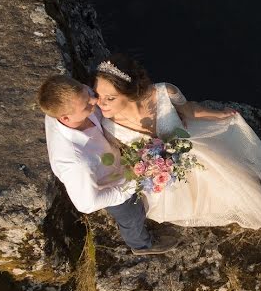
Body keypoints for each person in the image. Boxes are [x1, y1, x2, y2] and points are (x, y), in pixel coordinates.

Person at [92, 54, 261, 229]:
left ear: (130, 93)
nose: (100, 103)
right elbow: (122, 161)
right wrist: (147, 168)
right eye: (97, 95)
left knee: (228, 187)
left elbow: (189, 110)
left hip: (192, 151)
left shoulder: (164, 92)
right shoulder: (109, 126)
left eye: (110, 98)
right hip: (162, 174)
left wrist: (219, 114)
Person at [37, 74, 177, 255]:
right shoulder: (75, 162)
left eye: (87, 92)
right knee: (131, 216)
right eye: (86, 105)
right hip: (110, 183)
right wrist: (127, 189)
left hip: (115, 160)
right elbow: (86, 204)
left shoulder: (71, 104)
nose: (95, 100)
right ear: (65, 118)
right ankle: (141, 245)